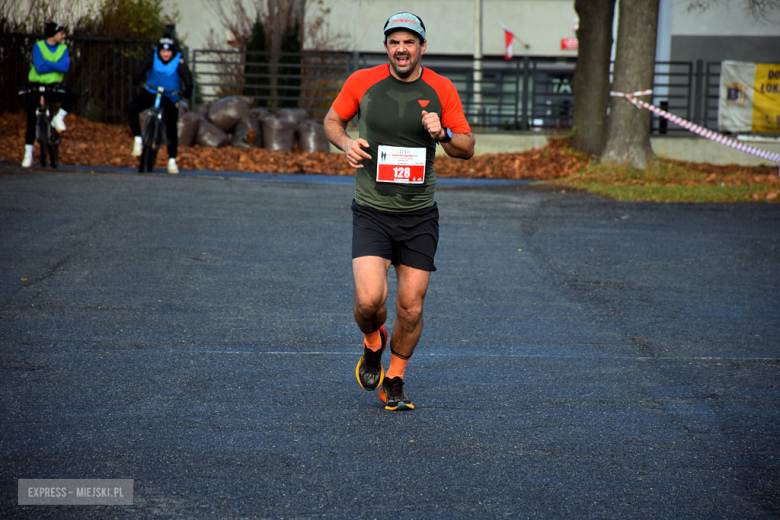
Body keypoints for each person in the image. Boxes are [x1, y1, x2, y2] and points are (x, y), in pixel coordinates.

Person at [323, 12, 475, 411]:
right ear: (386, 47)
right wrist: (346, 144)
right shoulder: (362, 82)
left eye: (410, 42)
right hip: (372, 210)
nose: (401, 49)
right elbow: (332, 120)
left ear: (422, 47)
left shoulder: (441, 89)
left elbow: (467, 146)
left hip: (419, 215)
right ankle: (373, 343)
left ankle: (395, 378)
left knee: (411, 306)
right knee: (370, 300)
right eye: (395, 42)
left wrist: (442, 133)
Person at [128, 35, 193, 174]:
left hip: (170, 95)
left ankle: (172, 160)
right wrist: (136, 77)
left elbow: (186, 76)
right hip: (152, 91)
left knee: (171, 128)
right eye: (163, 52)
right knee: (132, 107)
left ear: (173, 52)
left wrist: (188, 89)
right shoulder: (152, 55)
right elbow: (142, 67)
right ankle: (138, 139)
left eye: (168, 52)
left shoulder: (179, 60)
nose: (165, 54)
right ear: (159, 51)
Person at [22, 22, 79, 168]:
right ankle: (28, 154)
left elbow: (64, 66)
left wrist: (46, 62)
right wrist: (55, 64)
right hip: (37, 86)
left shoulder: (63, 48)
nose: (64, 36)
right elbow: (39, 68)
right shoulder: (38, 46)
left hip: (53, 87)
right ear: (54, 34)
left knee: (73, 93)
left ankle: (58, 118)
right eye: (62, 33)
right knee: (31, 119)